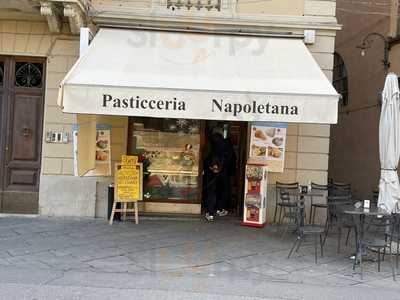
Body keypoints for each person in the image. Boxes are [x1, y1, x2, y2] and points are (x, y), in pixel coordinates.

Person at [203, 128, 236, 221]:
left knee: (211, 192)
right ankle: (220, 209)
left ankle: (210, 213)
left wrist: (209, 167)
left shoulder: (209, 144)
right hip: (224, 172)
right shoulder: (227, 144)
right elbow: (231, 158)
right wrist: (228, 170)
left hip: (211, 171)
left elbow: (205, 156)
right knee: (222, 190)